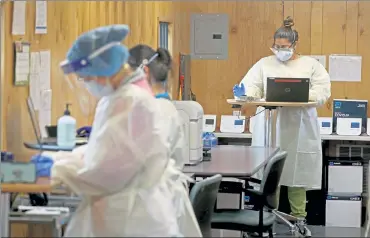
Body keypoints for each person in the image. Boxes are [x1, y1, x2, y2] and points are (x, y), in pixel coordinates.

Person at [51, 25, 201, 237]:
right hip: (130, 215)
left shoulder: (130, 101)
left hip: (134, 220)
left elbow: (105, 172)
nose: (87, 84)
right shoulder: (120, 98)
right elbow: (104, 152)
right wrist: (61, 158)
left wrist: (56, 169)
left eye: (87, 77)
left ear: (102, 69)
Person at [234, 17, 331, 221]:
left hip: (299, 126)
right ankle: (269, 216)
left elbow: (322, 91)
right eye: (276, 46)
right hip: (271, 123)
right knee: (271, 172)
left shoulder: (311, 65)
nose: (279, 50)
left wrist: (303, 95)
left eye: (284, 47)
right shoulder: (264, 64)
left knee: (297, 171)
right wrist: (248, 94)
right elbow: (252, 85)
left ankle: (299, 217)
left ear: (295, 44)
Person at [128, 45, 199, 233]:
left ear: (143, 72)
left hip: (157, 204)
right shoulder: (163, 107)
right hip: (159, 200)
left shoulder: (157, 112)